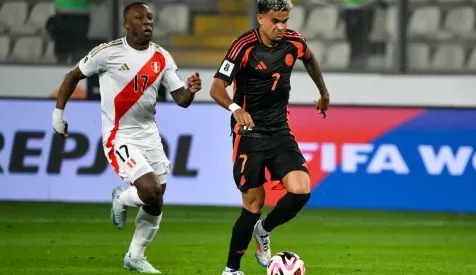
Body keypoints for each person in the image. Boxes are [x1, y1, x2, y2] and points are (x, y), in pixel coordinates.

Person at [51, 2, 201, 273]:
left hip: (149, 134)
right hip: (119, 135)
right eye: (140, 18)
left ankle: (135, 256)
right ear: (126, 24)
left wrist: (190, 90)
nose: (147, 22)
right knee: (150, 190)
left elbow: (181, 99)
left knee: (157, 199)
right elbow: (72, 76)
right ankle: (121, 199)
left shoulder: (162, 57)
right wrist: (58, 114)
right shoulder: (108, 53)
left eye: (150, 18)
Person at [209, 0, 330, 274]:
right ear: (261, 18)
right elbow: (216, 88)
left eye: (285, 21)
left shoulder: (294, 41)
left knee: (301, 191)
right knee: (253, 204)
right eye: (275, 21)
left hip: (279, 131)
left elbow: (310, 59)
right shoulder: (243, 47)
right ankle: (232, 269)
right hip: (249, 134)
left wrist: (324, 93)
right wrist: (235, 108)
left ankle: (263, 230)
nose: (281, 26)